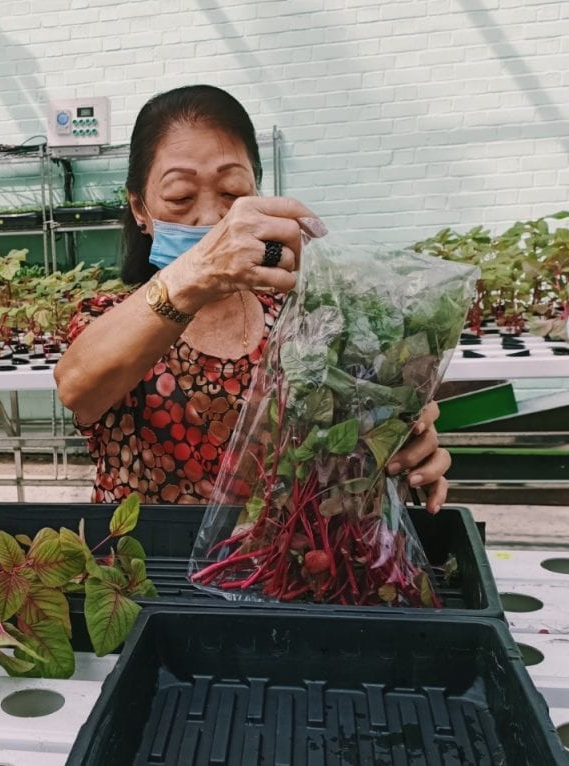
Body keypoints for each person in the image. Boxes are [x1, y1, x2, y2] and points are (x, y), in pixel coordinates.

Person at [54, 85, 450, 511]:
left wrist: (400, 444)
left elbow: (344, 453)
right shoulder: (111, 321)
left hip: (284, 564)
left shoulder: (308, 320)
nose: (210, 218)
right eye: (180, 197)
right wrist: (199, 272)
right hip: (149, 565)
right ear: (139, 209)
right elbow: (76, 386)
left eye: (232, 192)